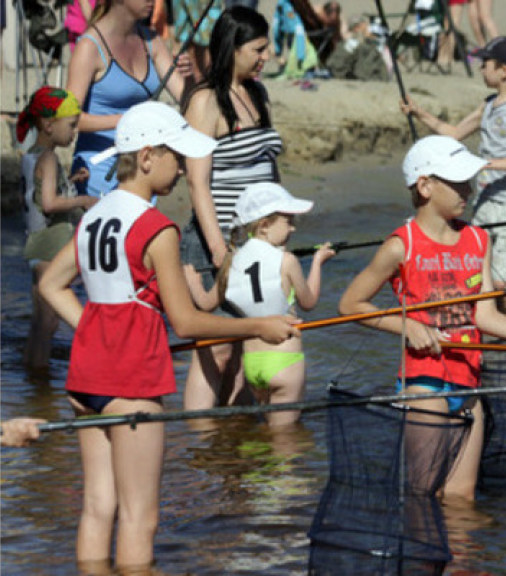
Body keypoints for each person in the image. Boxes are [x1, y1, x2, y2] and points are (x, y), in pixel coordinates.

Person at [39, 101, 299, 573]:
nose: (182, 168)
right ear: (146, 157)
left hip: (86, 378)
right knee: (141, 519)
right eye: (175, 157)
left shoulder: (93, 217)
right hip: (131, 383)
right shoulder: (158, 228)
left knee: (98, 508)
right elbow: (187, 323)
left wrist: (95, 330)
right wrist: (258, 326)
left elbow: (51, 285)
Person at [338, 135, 506, 502]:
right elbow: (351, 305)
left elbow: (484, 314)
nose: (469, 190)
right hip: (424, 383)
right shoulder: (401, 245)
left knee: (461, 498)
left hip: (468, 381)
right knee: (422, 493)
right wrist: (407, 325)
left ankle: (463, 561)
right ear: (425, 186)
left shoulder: (477, 240)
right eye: (457, 181)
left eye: (469, 180)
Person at [182, 6, 284, 410]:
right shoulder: (206, 101)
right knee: (217, 350)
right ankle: (201, 443)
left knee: (247, 349)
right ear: (233, 47)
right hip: (215, 241)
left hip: (257, 244)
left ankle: (230, 455)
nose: (267, 56)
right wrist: (221, 252)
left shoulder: (257, 93)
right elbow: (197, 183)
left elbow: (268, 167)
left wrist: (278, 229)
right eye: (258, 49)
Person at [401, 36, 506, 313]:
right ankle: (497, 328)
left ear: (504, 71)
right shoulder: (487, 104)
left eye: (485, 63)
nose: (480, 68)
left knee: (502, 281)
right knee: (482, 274)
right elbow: (454, 133)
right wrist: (419, 113)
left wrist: (485, 163)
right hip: (485, 199)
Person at [185, 183, 335, 426]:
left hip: (253, 365)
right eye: (288, 221)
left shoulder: (231, 261)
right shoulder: (287, 261)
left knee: (264, 434)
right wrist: (318, 262)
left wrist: (193, 283)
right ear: (264, 226)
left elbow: (205, 303)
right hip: (285, 361)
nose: (293, 227)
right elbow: (309, 302)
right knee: (286, 441)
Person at [66, 0, 191, 198]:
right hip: (99, 169)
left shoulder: (151, 39)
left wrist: (193, 77)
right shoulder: (89, 46)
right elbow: (70, 118)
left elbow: (187, 98)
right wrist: (126, 120)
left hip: (142, 168)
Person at [16, 86, 98, 371]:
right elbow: (50, 204)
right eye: (71, 126)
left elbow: (39, 198)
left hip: (36, 241)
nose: (74, 132)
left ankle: (35, 379)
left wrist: (72, 181)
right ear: (49, 125)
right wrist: (84, 199)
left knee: (42, 320)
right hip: (50, 243)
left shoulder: (32, 155)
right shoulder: (49, 158)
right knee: (50, 319)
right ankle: (40, 378)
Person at [273, 0, 308, 70]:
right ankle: (294, 61)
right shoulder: (283, 5)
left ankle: (297, 60)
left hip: (292, 25)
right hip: (291, 24)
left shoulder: (283, 5)